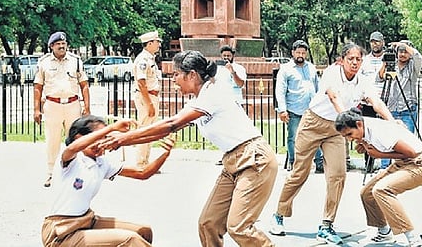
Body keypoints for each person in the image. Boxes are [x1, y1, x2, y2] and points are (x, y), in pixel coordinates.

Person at [104, 50, 278, 247]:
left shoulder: (213, 92)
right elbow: (164, 131)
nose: (173, 80)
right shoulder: (197, 100)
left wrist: (124, 138)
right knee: (208, 224)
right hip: (232, 161)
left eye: (176, 75)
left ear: (192, 75)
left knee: (239, 227)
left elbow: (171, 124)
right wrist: (123, 141)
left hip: (254, 159)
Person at [269, 43, 395, 245]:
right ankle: (279, 215)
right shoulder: (331, 73)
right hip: (314, 123)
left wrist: (391, 122)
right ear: (342, 60)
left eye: (358, 60)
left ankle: (326, 225)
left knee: (338, 175)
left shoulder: (363, 80)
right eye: (350, 59)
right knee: (299, 173)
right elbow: (334, 96)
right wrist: (347, 119)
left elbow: (376, 102)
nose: (354, 63)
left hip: (337, 128)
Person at [41, 115, 176, 246]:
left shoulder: (102, 163)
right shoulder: (70, 159)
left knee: (143, 231)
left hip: (87, 221)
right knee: (131, 240)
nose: (102, 142)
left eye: (105, 138)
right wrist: (112, 128)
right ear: (79, 137)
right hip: (61, 232)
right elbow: (73, 147)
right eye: (99, 137)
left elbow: (142, 173)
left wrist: (164, 154)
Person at [335, 108, 422, 247]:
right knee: (366, 193)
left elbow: (411, 153)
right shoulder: (365, 129)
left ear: (359, 124)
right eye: (346, 137)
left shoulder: (379, 130)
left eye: (350, 134)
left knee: (381, 189)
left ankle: (414, 238)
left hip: (421, 163)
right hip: (403, 163)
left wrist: (380, 155)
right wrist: (366, 146)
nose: (349, 139)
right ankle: (384, 232)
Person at [34, 31, 91, 187]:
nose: (61, 46)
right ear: (51, 46)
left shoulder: (76, 61)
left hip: (73, 104)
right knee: (52, 141)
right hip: (52, 105)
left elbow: (84, 85)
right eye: (58, 44)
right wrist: (36, 109)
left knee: (75, 140)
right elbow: (38, 87)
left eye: (64, 44)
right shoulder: (44, 62)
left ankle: (74, 173)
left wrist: (87, 107)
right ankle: (51, 174)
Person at [274, 40, 323, 172]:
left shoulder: (311, 67)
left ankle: (319, 163)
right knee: (293, 138)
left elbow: (318, 87)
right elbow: (280, 90)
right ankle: (294, 163)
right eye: (298, 52)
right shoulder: (285, 69)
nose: (300, 55)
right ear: (292, 53)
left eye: (303, 52)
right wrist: (282, 110)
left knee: (315, 137)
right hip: (293, 109)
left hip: (311, 110)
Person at [376, 40, 422, 169]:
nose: (402, 54)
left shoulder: (413, 66)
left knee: (407, 140)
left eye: (405, 51)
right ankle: (384, 168)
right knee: (387, 139)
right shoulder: (392, 64)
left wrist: (402, 45)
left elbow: (419, 57)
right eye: (400, 51)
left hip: (408, 107)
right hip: (390, 108)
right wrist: (385, 63)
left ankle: (406, 167)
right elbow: (379, 78)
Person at [133, 31, 162, 167]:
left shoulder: (151, 59)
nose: (159, 44)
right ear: (149, 43)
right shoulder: (143, 60)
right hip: (147, 97)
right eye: (157, 42)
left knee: (151, 131)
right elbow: (141, 83)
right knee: (145, 130)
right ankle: (140, 162)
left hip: (152, 96)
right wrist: (149, 103)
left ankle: (145, 161)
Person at [360, 31, 386, 172]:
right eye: (372, 41)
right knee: (367, 133)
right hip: (367, 102)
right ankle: (368, 163)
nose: (375, 44)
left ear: (382, 42)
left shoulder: (388, 59)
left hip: (384, 100)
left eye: (377, 41)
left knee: (384, 132)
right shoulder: (365, 60)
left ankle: (385, 164)